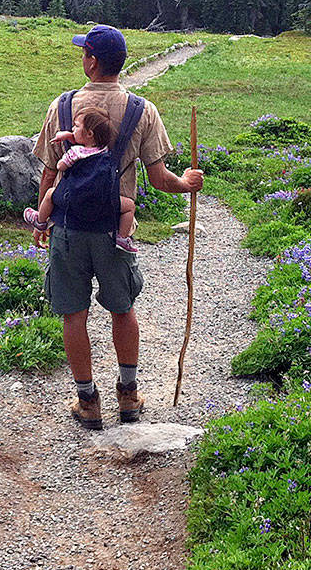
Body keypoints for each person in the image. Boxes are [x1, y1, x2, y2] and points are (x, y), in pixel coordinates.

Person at [32, 24, 204, 430]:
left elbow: (48, 173)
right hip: (116, 232)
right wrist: (188, 183)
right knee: (122, 309)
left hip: (69, 229)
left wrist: (42, 220)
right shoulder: (143, 111)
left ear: (92, 61)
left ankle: (87, 401)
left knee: (73, 313)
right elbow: (161, 179)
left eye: (83, 53)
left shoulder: (61, 107)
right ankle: (128, 396)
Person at [22, 106, 139, 254]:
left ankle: (40, 221)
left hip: (74, 199)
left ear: (89, 133)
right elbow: (90, 144)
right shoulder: (105, 149)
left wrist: (69, 143)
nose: (72, 129)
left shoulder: (75, 152)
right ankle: (121, 238)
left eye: (76, 126)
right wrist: (73, 136)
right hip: (102, 201)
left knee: (51, 193)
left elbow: (61, 166)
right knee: (129, 206)